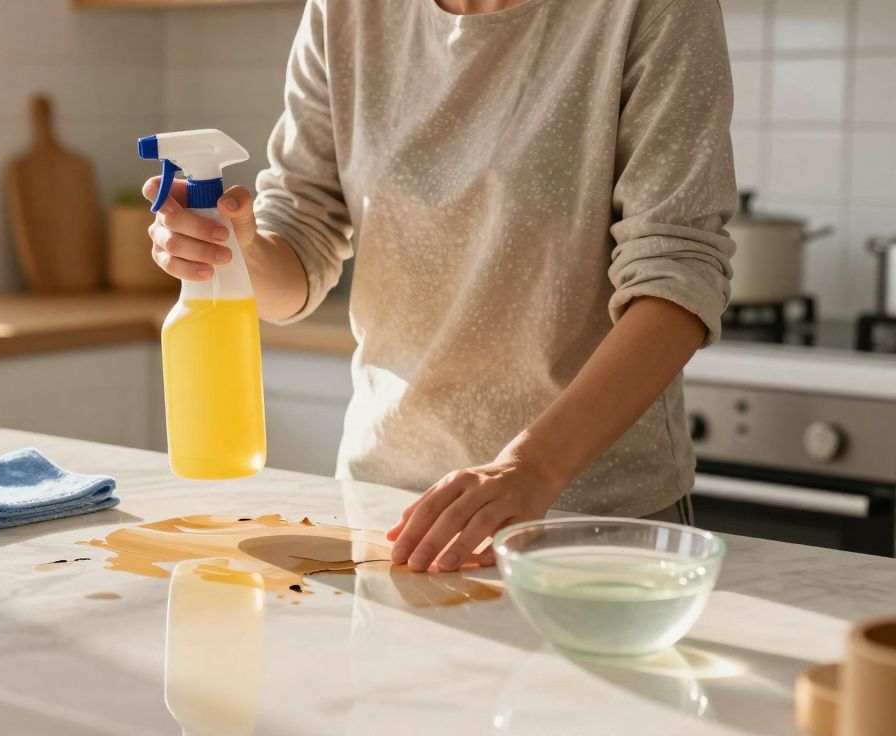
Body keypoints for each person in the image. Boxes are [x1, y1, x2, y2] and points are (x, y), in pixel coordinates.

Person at [142, 0, 736, 572]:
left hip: (589, 516)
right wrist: (238, 249)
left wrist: (531, 468)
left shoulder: (651, 9)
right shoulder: (344, 11)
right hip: (387, 514)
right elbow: (299, 240)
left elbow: (678, 274)